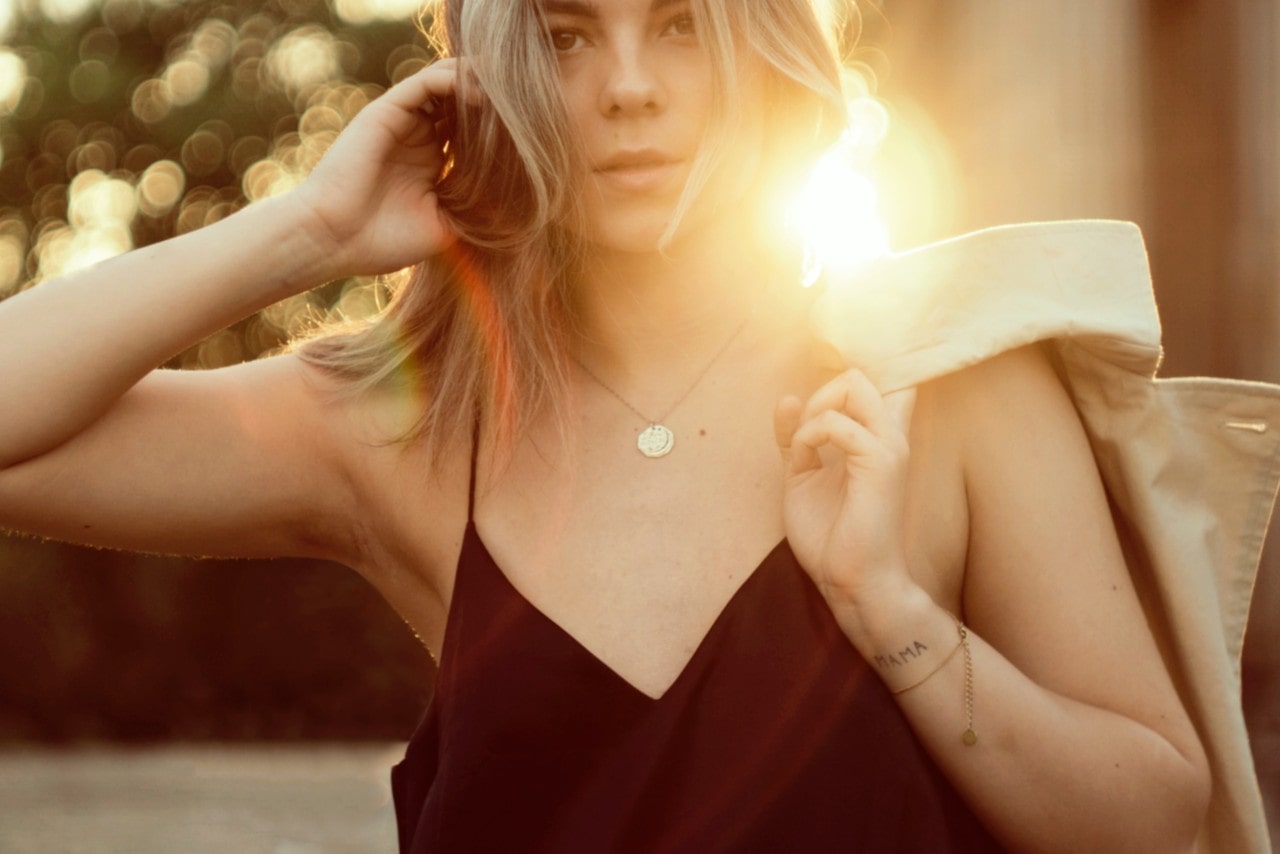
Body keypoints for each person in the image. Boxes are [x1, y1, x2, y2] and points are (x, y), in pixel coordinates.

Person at [0, 0, 1226, 850]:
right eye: (568, 33)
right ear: (493, 71)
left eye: (684, 25)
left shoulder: (942, 386)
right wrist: (305, 232)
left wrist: (892, 616)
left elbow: (1149, 820)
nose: (628, 87)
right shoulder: (406, 425)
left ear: (766, 52)